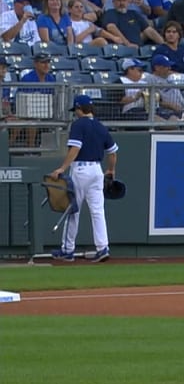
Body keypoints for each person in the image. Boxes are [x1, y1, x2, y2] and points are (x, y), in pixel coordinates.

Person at [48, 94, 118, 263]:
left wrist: (62, 168)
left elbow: (75, 150)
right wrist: (111, 170)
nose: (76, 113)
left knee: (73, 210)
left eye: (76, 109)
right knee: (98, 211)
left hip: (80, 170)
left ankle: (67, 250)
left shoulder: (78, 125)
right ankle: (103, 248)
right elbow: (113, 152)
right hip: (97, 171)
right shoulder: (101, 126)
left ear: (80, 108)